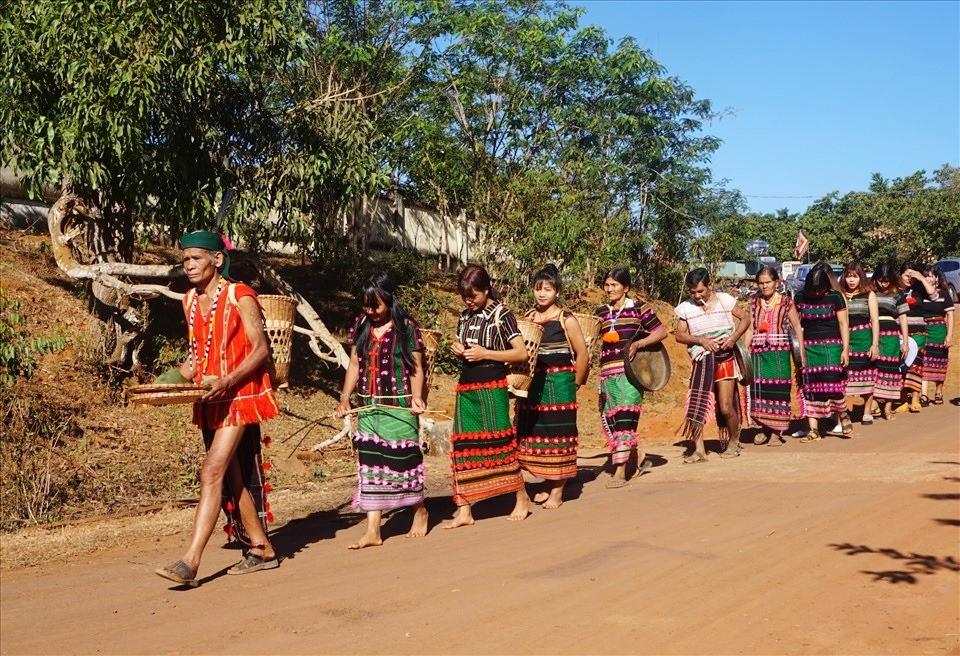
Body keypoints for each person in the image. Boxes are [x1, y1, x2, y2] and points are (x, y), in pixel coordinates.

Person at [155, 230, 280, 587]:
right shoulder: (189, 301)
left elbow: (260, 351)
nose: (189, 265)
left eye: (196, 258)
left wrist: (226, 381)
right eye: (185, 259)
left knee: (211, 471)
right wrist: (164, 383)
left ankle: (190, 562)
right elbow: (196, 358)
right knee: (232, 476)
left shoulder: (241, 295)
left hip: (241, 393)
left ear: (217, 260)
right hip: (211, 397)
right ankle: (262, 548)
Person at [336, 272, 428, 549]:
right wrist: (344, 397)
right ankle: (373, 529)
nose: (371, 311)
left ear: (389, 300)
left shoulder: (407, 327)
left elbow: (416, 367)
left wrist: (416, 398)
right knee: (371, 466)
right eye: (366, 305)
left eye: (376, 305)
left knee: (403, 462)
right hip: (368, 405)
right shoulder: (361, 324)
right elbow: (355, 364)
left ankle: (419, 510)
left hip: (398, 405)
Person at [446, 264, 530, 528]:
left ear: (486, 289)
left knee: (500, 441)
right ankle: (464, 509)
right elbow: (463, 343)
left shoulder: (502, 314)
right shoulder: (465, 315)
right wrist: (458, 349)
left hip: (492, 386)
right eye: (465, 297)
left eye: (473, 296)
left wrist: (486, 353)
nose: (469, 301)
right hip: (466, 386)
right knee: (463, 445)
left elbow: (520, 353)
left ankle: (521, 497)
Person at [515, 264, 589, 508]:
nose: (542, 293)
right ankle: (548, 482)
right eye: (538, 288)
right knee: (536, 433)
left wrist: (575, 383)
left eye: (547, 289)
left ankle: (558, 490)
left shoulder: (566, 319)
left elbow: (582, 354)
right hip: (534, 385)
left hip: (560, 384)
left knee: (559, 436)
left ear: (557, 291)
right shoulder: (529, 317)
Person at [595, 268, 667, 485]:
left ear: (626, 288)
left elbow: (661, 331)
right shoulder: (601, 312)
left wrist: (638, 343)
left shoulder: (638, 308)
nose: (609, 289)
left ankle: (620, 471)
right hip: (607, 374)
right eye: (607, 285)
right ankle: (638, 458)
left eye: (614, 285)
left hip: (630, 374)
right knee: (613, 419)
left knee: (625, 420)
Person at [674, 268, 750, 462]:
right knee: (696, 405)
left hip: (725, 358)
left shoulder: (725, 300)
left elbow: (745, 319)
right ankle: (699, 450)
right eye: (693, 292)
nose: (697, 296)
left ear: (710, 285)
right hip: (701, 360)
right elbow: (679, 335)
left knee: (725, 407)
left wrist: (733, 338)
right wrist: (700, 341)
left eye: (701, 291)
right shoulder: (686, 308)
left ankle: (733, 441)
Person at [744, 266, 804, 446]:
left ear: (776, 282)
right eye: (761, 283)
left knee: (779, 391)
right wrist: (745, 351)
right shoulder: (754, 302)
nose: (764, 286)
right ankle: (765, 427)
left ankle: (777, 432)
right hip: (758, 353)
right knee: (760, 392)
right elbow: (750, 329)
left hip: (780, 353)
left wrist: (801, 352)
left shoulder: (786, 302)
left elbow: (796, 327)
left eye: (768, 282)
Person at [795, 262, 850, 441]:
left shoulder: (835, 297)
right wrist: (800, 351)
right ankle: (814, 430)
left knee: (833, 384)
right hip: (809, 347)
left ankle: (843, 415)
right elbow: (797, 326)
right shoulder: (799, 297)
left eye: (820, 291)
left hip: (832, 347)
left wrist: (845, 349)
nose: (817, 294)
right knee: (810, 388)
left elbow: (843, 324)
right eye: (814, 291)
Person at [839, 262, 880, 425]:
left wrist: (875, 344)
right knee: (845, 376)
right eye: (848, 276)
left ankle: (867, 412)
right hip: (846, 338)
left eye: (855, 276)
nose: (851, 280)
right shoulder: (840, 294)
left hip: (864, 338)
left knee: (867, 375)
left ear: (860, 278)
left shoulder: (868, 294)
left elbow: (875, 320)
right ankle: (843, 412)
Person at [870, 262, 910, 420]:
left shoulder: (898, 295)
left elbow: (903, 318)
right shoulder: (870, 293)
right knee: (874, 369)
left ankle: (887, 407)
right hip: (873, 335)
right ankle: (873, 404)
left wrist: (905, 342)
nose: (883, 283)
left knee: (891, 371)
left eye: (886, 280)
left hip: (891, 336)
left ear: (892, 280)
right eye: (880, 280)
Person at [897, 263, 939, 413]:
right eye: (906, 275)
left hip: (919, 332)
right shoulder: (895, 290)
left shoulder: (920, 289)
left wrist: (920, 277)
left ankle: (915, 398)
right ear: (900, 275)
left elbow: (934, 295)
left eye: (911, 276)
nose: (909, 279)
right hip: (900, 332)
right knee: (902, 364)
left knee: (916, 365)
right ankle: (902, 400)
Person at [921, 265, 955, 405]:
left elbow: (950, 315)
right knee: (924, 362)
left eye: (930, 275)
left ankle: (938, 392)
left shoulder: (944, 294)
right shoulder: (921, 295)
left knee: (940, 363)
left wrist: (949, 336)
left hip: (940, 331)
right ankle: (923, 394)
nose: (928, 278)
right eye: (925, 275)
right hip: (925, 330)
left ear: (936, 278)